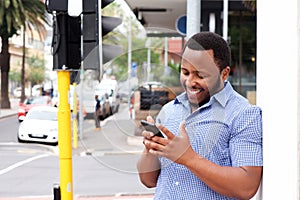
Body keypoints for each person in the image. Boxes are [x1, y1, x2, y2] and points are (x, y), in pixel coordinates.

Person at [137, 32, 263, 200]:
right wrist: (150, 149)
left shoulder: (243, 114)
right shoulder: (169, 110)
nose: (190, 82)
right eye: (185, 72)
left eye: (200, 75)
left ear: (224, 74)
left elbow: (246, 186)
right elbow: (148, 180)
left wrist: (188, 158)